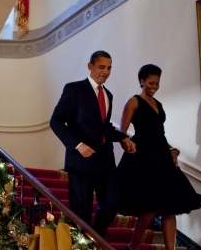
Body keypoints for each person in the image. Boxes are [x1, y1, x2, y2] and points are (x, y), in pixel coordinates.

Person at [117, 64, 201, 250]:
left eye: (157, 83)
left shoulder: (159, 104)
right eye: (150, 83)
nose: (154, 87)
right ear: (141, 81)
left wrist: (172, 150)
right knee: (151, 206)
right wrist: (128, 146)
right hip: (143, 157)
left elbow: (160, 135)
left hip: (161, 157)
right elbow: (122, 132)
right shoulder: (134, 101)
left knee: (169, 207)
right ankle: (133, 244)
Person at [50, 50, 136, 236]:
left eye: (109, 68)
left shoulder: (108, 95)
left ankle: (91, 236)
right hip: (81, 160)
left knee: (113, 202)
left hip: (105, 159)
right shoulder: (74, 89)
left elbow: (104, 127)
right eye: (101, 67)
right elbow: (56, 121)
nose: (105, 71)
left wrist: (122, 137)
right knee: (81, 212)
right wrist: (77, 144)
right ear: (90, 66)